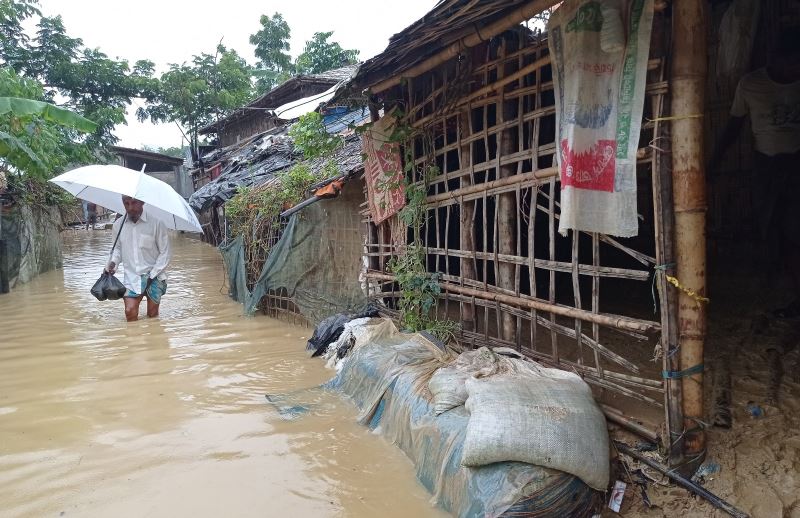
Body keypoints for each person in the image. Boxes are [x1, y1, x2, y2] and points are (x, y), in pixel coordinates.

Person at [708, 29, 800, 317]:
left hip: (797, 164)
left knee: (794, 230)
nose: (793, 70)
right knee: (774, 228)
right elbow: (733, 127)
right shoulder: (751, 84)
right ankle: (787, 287)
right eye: (790, 64)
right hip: (766, 165)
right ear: (775, 59)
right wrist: (714, 163)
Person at [105, 195, 172, 321]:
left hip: (155, 276)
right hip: (132, 276)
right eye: (126, 203)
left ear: (142, 202)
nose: (130, 208)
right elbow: (117, 249)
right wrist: (113, 263)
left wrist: (152, 275)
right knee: (129, 312)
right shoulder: (118, 226)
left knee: (152, 316)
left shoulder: (157, 223)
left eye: (134, 203)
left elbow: (165, 253)